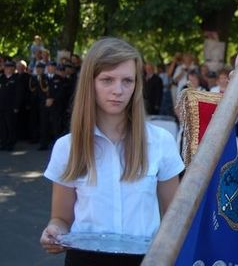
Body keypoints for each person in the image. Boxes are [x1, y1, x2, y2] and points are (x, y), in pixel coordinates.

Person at [39, 37, 184, 265]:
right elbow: (61, 218)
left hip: (147, 259)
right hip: (84, 258)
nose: (118, 90)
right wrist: (54, 231)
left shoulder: (160, 142)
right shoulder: (67, 147)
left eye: (127, 80)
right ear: (90, 82)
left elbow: (176, 218)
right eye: (107, 80)